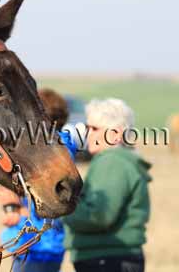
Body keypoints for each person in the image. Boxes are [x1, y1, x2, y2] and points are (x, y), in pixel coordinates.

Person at [62, 98, 152, 272]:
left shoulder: (112, 162)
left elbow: (99, 216)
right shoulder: (118, 160)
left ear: (116, 134)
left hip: (107, 261)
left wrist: (62, 210)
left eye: (95, 128)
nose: (88, 133)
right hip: (112, 258)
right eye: (87, 127)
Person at [0, 88, 77, 272]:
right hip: (45, 247)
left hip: (35, 247)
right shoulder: (64, 151)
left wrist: (19, 210)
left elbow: (49, 201)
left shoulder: (49, 154)